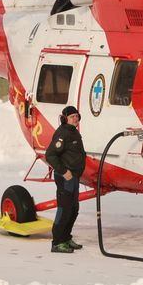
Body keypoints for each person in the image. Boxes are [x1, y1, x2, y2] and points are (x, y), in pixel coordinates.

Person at [45, 105, 86, 253]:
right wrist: (63, 171)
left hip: (74, 177)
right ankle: (57, 242)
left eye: (77, 116)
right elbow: (50, 155)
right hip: (65, 177)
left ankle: (66, 238)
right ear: (64, 119)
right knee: (64, 209)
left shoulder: (73, 132)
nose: (75, 119)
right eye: (72, 117)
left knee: (74, 209)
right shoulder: (62, 134)